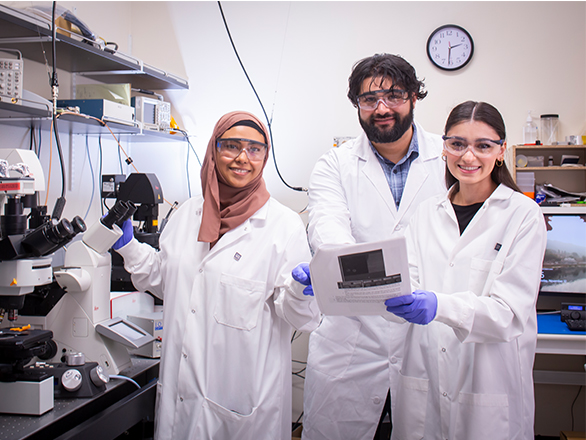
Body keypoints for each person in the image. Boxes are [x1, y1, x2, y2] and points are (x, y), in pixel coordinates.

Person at [112, 111, 320, 439]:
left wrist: (301, 290)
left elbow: (300, 318)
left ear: (265, 156)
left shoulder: (283, 227)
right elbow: (166, 282)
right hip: (180, 401)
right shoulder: (186, 216)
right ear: (213, 149)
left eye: (254, 149)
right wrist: (130, 248)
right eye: (231, 146)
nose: (242, 158)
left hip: (241, 409)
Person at [300, 54, 446, 440]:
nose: (381, 108)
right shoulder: (334, 164)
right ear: (357, 106)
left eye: (394, 95)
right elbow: (329, 235)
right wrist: (331, 267)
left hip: (426, 336)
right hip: (352, 339)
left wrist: (345, 273)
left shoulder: (448, 160)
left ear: (414, 96)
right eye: (369, 99)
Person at [384, 101, 547, 439]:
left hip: (488, 382)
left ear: (501, 151)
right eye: (457, 144)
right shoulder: (426, 213)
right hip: (424, 372)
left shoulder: (523, 215)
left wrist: (439, 306)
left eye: (483, 146)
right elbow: (404, 281)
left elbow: (509, 313)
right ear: (444, 148)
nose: (468, 157)